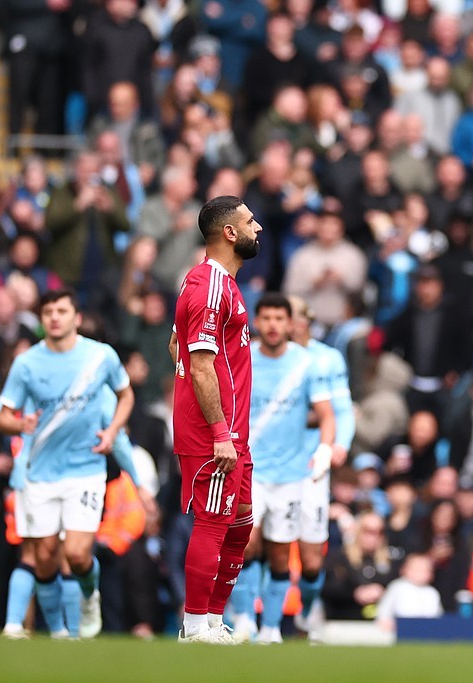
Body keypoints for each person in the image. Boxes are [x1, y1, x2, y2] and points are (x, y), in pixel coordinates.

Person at [0, 288, 136, 640]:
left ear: (77, 318)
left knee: (76, 553)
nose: (54, 317)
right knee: (43, 558)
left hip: (85, 470)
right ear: (42, 321)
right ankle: (58, 632)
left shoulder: (100, 356)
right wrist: (19, 424)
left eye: (61, 311)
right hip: (39, 474)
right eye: (48, 312)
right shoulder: (27, 363)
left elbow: (125, 394)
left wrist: (113, 431)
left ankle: (90, 597)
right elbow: (2, 415)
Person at [168, 195, 262, 644]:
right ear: (229, 233)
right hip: (214, 434)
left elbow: (176, 347)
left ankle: (212, 622)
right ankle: (193, 627)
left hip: (232, 431)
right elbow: (200, 364)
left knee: (241, 522)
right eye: (249, 221)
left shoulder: (216, 282)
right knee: (212, 521)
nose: (257, 227)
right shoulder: (209, 287)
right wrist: (219, 431)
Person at [227, 292, 336, 644]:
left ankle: (271, 627)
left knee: (278, 552)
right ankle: (244, 618)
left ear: (290, 324)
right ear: (257, 322)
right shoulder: (243, 359)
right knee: (245, 542)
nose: (273, 325)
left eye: (280, 319)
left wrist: (324, 448)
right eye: (267, 318)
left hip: (291, 476)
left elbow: (327, 414)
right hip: (251, 471)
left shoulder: (307, 363)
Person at [289, 295, 356, 641]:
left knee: (311, 558)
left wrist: (339, 443)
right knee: (255, 544)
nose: (289, 324)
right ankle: (249, 621)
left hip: (312, 463)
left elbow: (341, 409)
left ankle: (306, 608)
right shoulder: (262, 356)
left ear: (307, 322)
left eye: (296, 317)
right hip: (269, 465)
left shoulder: (326, 359)